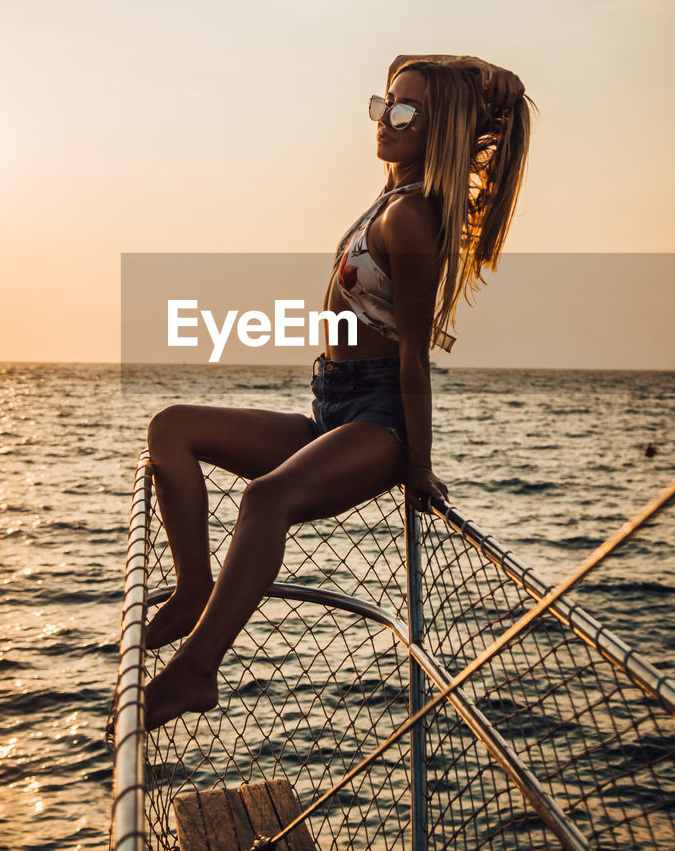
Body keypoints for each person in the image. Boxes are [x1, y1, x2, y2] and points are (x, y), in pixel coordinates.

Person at [143, 53, 532, 731]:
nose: (386, 119)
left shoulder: (409, 218)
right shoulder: (387, 197)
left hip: (379, 420)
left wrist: (415, 463)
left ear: (436, 132)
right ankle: (193, 590)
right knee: (171, 428)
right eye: (384, 104)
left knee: (266, 501)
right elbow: (401, 61)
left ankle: (198, 670)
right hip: (333, 404)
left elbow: (412, 352)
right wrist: (480, 70)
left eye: (406, 111)